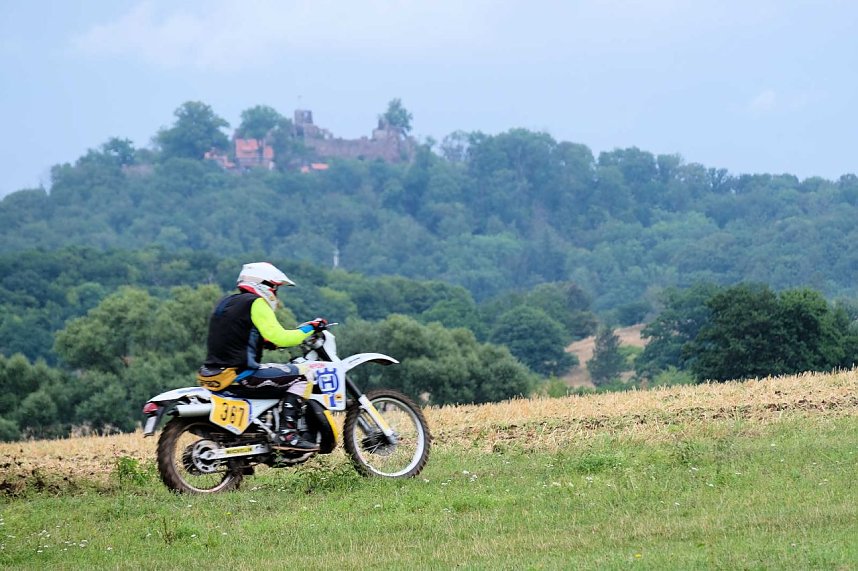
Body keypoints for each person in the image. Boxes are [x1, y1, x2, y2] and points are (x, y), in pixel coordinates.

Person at [198, 262, 327, 452]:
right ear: (265, 285)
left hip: (212, 375)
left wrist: (266, 343)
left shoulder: (225, 303)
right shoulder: (255, 303)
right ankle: (287, 434)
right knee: (304, 376)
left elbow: (236, 336)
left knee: (276, 371)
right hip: (241, 375)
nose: (275, 294)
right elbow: (282, 338)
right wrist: (310, 328)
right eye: (275, 288)